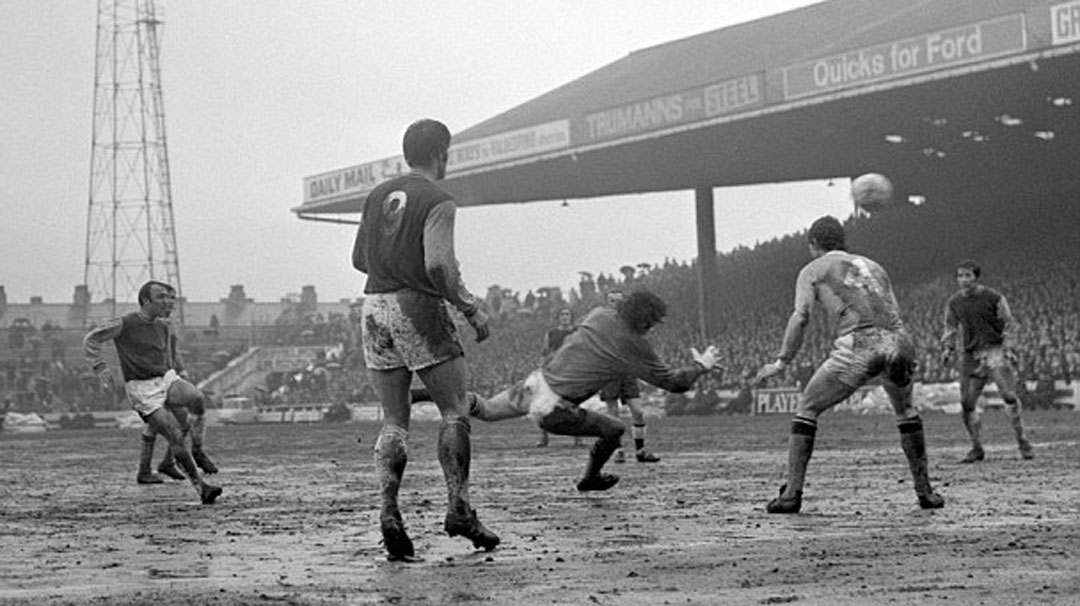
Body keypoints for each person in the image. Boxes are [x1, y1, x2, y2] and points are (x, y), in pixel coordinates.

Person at [352, 118, 498, 562]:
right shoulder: (439, 199)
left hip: (374, 306)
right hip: (417, 305)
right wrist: (470, 307)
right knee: (454, 411)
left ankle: (388, 511)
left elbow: (359, 259)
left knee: (394, 421)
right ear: (441, 152)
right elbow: (439, 265)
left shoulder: (378, 195)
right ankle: (459, 508)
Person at [753, 216, 944, 514]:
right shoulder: (876, 267)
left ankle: (791, 493)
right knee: (906, 410)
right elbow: (893, 310)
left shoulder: (813, 269)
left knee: (807, 408)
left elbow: (800, 316)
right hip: (898, 341)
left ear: (813, 244)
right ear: (842, 242)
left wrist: (781, 361)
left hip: (860, 344)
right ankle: (926, 491)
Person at [455, 287, 720, 492]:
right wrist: (701, 365)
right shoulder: (633, 344)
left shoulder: (598, 313)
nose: (650, 329)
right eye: (651, 324)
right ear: (644, 321)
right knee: (615, 430)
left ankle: (431, 395)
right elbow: (676, 383)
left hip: (536, 384)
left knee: (487, 410)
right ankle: (590, 478)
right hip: (554, 409)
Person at [83, 280, 222, 505]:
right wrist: (99, 366)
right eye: (161, 297)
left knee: (197, 398)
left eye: (169, 297)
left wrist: (178, 374)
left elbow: (169, 354)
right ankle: (201, 486)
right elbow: (92, 339)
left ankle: (197, 451)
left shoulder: (164, 326)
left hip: (165, 378)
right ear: (145, 301)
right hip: (142, 388)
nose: (167, 301)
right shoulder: (125, 323)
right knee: (174, 435)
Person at [940, 259, 1034, 462]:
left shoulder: (993, 297)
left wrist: (1009, 348)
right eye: (960, 276)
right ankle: (976, 447)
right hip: (970, 356)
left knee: (1009, 396)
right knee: (967, 403)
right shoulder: (954, 302)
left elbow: (1008, 323)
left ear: (975, 277)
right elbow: (950, 327)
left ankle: (1022, 441)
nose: (963, 280)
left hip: (994, 352)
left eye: (967, 276)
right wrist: (948, 348)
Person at [599, 290, 660, 464]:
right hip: (610, 371)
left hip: (628, 371)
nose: (615, 303)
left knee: (638, 411)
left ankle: (640, 450)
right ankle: (618, 449)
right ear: (607, 302)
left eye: (618, 300)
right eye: (612, 300)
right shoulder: (602, 323)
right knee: (613, 413)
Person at [535, 307, 582, 448]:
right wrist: (541, 368)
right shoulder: (551, 334)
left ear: (571, 317)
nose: (565, 317)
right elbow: (545, 352)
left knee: (573, 405)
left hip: (572, 372)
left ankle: (577, 438)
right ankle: (543, 437)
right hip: (554, 371)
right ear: (558, 317)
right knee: (546, 405)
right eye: (562, 314)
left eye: (567, 314)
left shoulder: (577, 333)